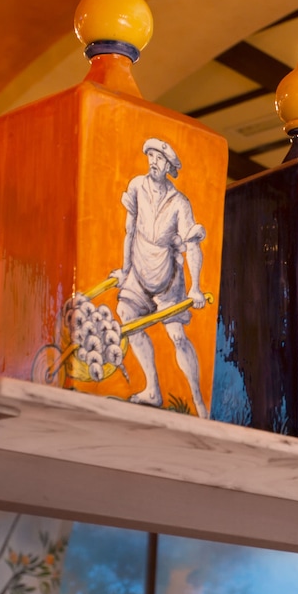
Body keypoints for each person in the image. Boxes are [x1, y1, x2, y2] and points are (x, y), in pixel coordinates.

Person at [112, 138, 207, 416]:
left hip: (167, 277)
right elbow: (129, 231)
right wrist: (124, 270)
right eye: (151, 156)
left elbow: (192, 245)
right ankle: (152, 390)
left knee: (177, 336)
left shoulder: (179, 203)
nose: (154, 161)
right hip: (139, 270)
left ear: (169, 166)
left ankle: (199, 401)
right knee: (126, 314)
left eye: (160, 158)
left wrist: (196, 288)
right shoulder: (136, 187)